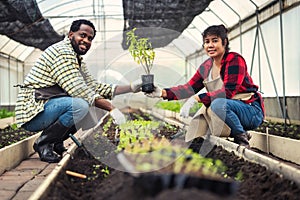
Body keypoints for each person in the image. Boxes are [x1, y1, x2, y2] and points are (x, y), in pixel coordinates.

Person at [15, 19, 141, 163]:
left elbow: (94, 87)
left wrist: (131, 87)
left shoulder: (77, 59)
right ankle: (43, 143)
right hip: (34, 111)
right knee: (80, 105)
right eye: (82, 35)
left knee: (95, 109)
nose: (86, 40)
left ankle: (57, 141)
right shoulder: (62, 53)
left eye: (90, 38)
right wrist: (113, 109)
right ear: (70, 35)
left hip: (50, 106)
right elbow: (79, 90)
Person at [148, 24, 264, 148]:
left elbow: (228, 92)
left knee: (217, 104)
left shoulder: (234, 60)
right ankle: (187, 144)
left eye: (215, 41)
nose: (210, 45)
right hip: (228, 108)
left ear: (224, 42)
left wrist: (197, 98)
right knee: (199, 121)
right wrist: (162, 92)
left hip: (250, 111)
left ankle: (242, 138)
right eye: (206, 42)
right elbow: (189, 88)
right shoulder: (207, 66)